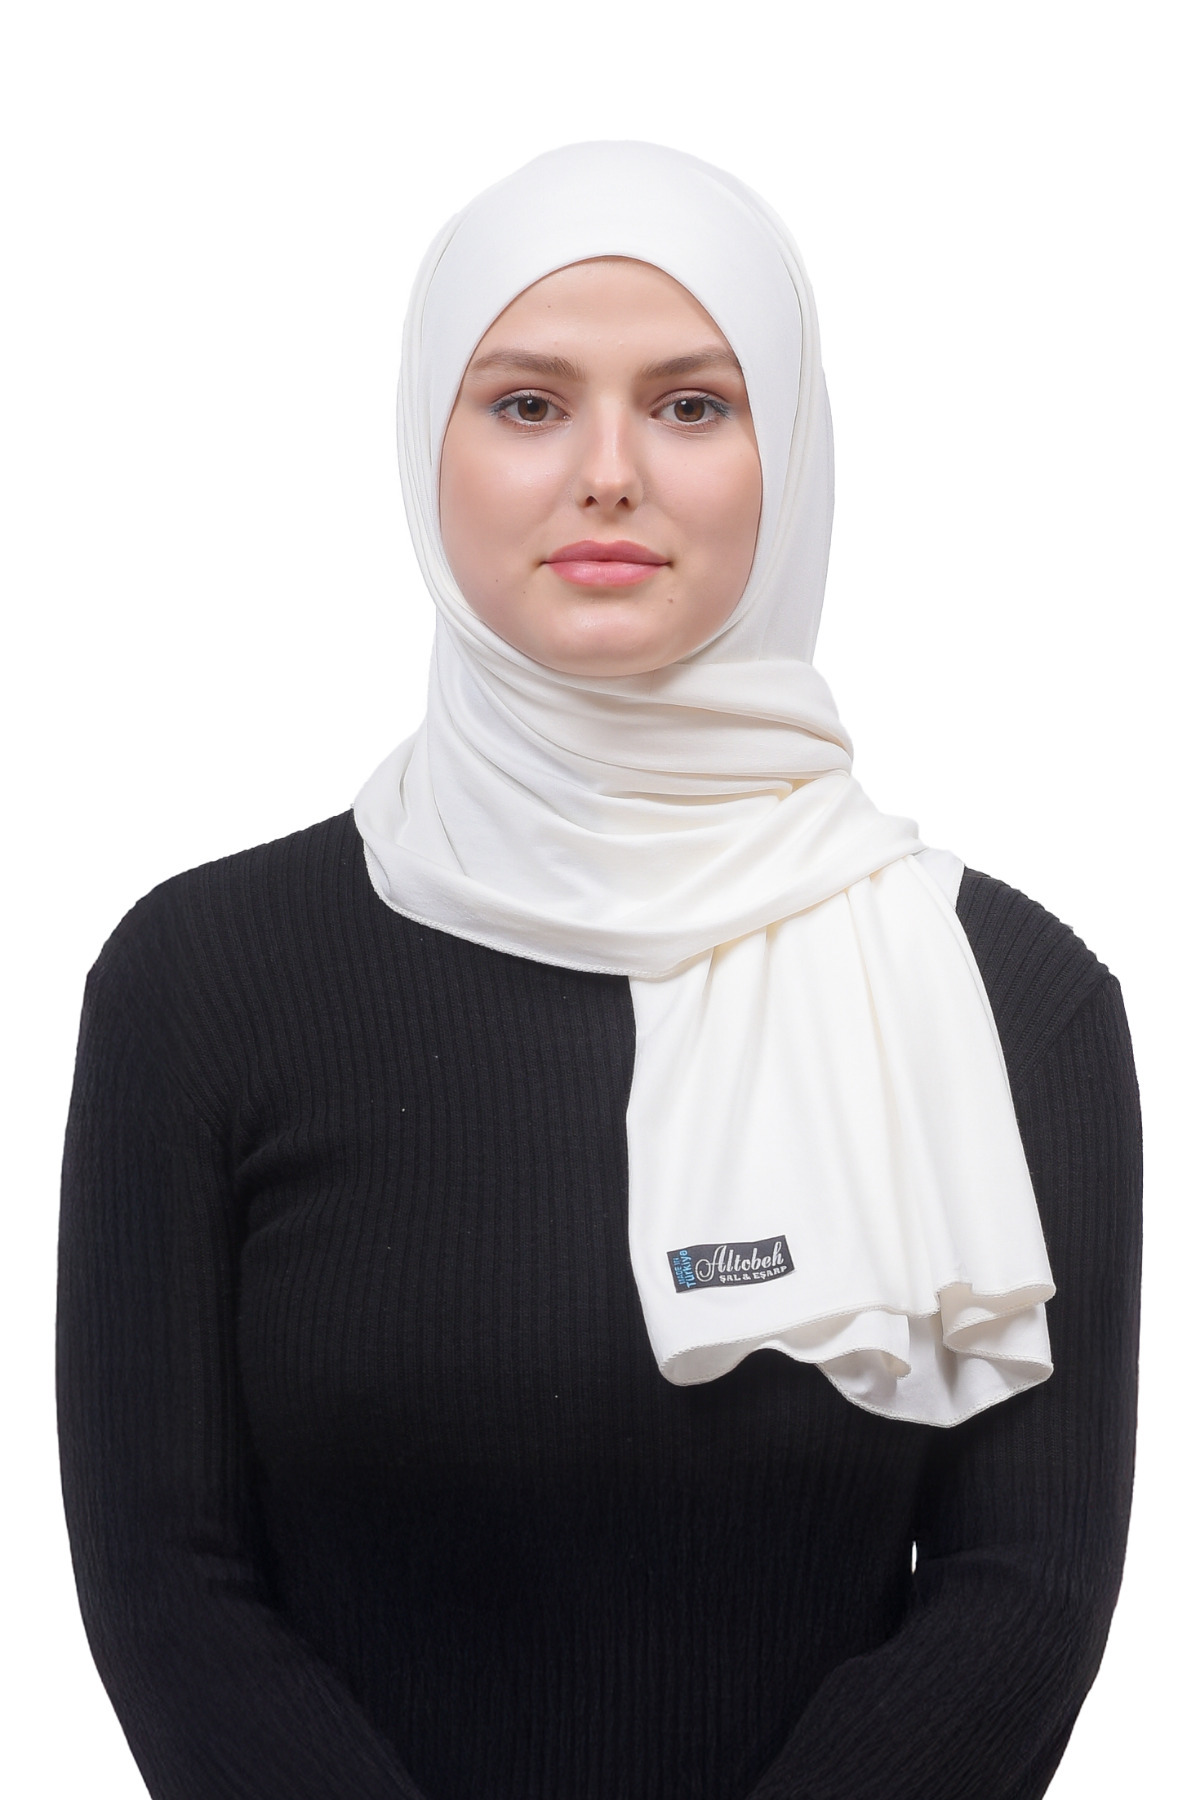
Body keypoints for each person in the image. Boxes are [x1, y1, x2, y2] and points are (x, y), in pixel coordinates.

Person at [56, 142, 1141, 1800]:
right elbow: (167, 1583)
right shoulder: (196, 984)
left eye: (694, 405)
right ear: (425, 446)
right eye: (528, 405)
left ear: (792, 454)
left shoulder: (1007, 999)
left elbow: (1023, 1594)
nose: (610, 474)